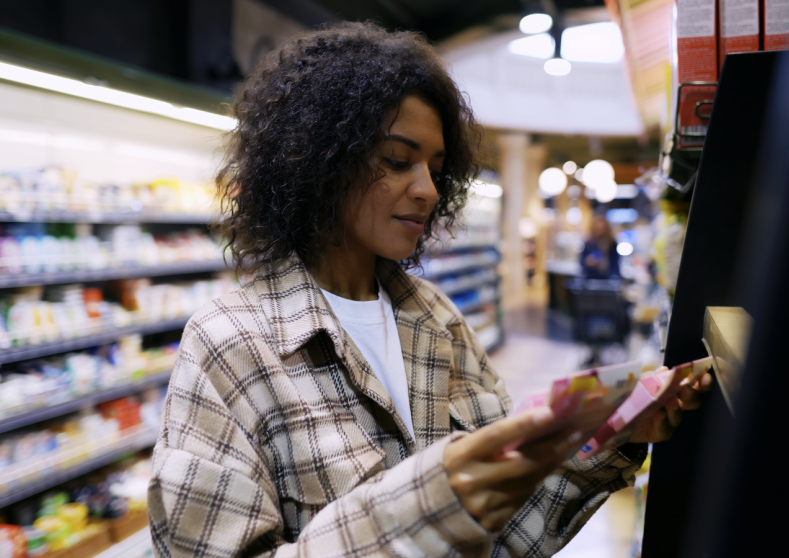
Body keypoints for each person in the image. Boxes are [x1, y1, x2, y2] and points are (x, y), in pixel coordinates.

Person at [148, 23, 712, 558]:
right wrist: (425, 506)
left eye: (436, 170)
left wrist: (609, 440)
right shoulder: (228, 345)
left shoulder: (434, 317)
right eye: (396, 161)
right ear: (317, 162)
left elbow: (508, 530)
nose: (426, 191)